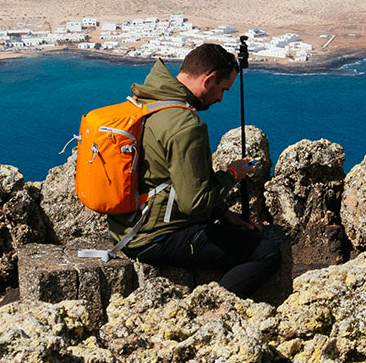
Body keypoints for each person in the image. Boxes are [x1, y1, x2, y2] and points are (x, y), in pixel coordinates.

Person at [114, 42, 282, 297]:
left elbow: (169, 180)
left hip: (125, 228)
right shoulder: (186, 126)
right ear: (209, 79)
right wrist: (232, 175)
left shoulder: (148, 102)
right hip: (153, 238)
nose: (221, 99)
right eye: (223, 90)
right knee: (267, 252)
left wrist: (223, 214)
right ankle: (210, 308)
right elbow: (195, 204)